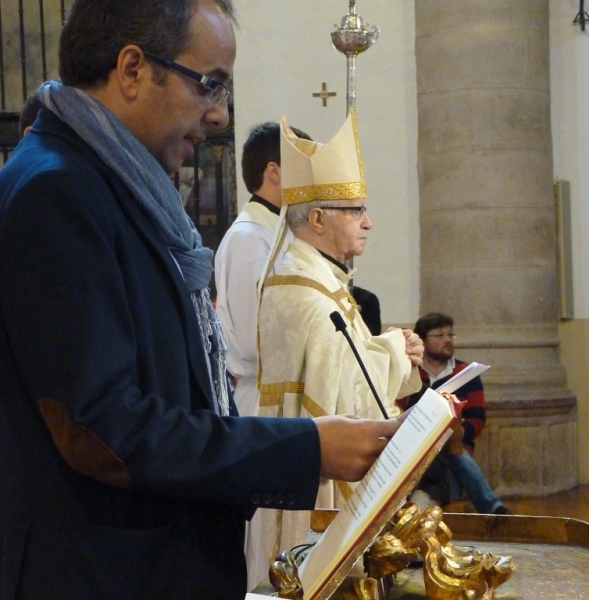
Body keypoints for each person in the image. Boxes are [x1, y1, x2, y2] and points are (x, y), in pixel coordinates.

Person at [0, 2, 406, 598]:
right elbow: (105, 429)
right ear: (132, 70)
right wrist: (304, 447)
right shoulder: (57, 191)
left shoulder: (113, 186)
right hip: (104, 572)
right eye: (209, 85)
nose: (218, 114)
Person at [254, 110, 424, 576]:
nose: (369, 223)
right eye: (357, 210)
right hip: (312, 479)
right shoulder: (304, 292)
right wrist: (394, 350)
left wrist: (391, 347)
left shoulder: (318, 277)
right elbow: (336, 398)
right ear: (318, 217)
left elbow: (347, 362)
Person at [215, 121, 311, 418]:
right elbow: (254, 338)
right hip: (261, 401)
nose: (313, 178)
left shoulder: (276, 231)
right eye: (305, 166)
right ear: (274, 172)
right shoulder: (250, 237)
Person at [401, 312, 511, 515]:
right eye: (439, 335)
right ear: (423, 340)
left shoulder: (465, 373)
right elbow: (397, 410)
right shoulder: (411, 372)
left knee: (449, 446)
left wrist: (458, 433)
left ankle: (421, 505)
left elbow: (477, 418)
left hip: (454, 442)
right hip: (415, 441)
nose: (447, 340)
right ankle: (492, 507)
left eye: (450, 335)